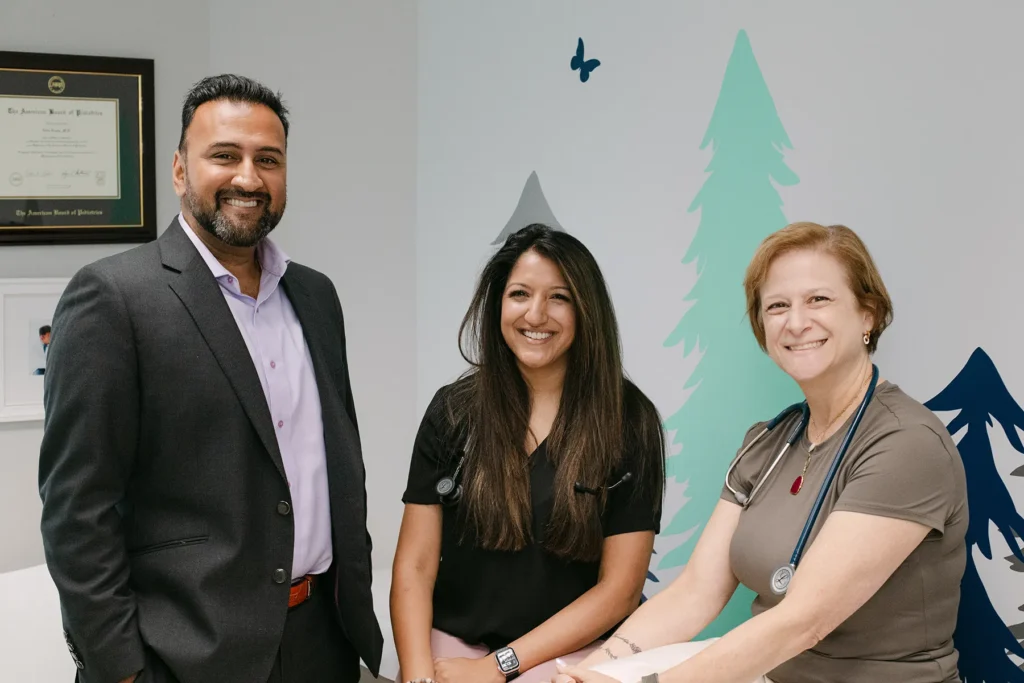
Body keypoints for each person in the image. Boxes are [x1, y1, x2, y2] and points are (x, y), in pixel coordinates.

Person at [38, 74, 383, 683]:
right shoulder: (114, 298)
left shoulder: (315, 296)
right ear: (178, 170)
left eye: (267, 160)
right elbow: (76, 510)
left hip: (320, 645)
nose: (248, 178)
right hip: (182, 657)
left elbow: (333, 468)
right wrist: (121, 669)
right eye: (224, 155)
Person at [553, 222, 968, 683]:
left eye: (819, 299)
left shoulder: (906, 443)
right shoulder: (768, 441)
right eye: (777, 306)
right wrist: (595, 671)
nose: (795, 322)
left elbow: (802, 622)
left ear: (867, 314)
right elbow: (696, 592)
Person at [390, 224, 666, 683]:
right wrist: (419, 678)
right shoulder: (452, 412)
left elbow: (619, 590)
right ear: (498, 303)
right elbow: (415, 565)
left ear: (586, 313)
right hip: (456, 648)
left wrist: (500, 666)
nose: (536, 314)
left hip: (574, 653)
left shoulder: (629, 420)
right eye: (520, 294)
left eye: (559, 297)